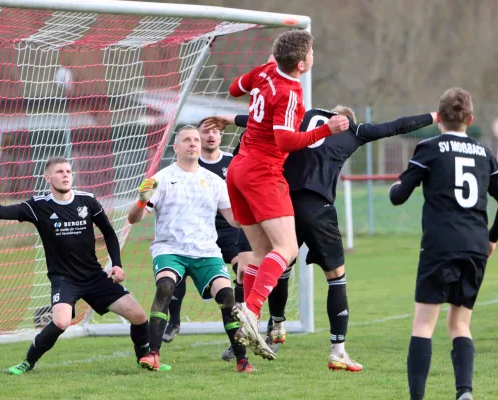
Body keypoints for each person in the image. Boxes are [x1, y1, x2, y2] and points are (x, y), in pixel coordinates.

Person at [205, 105, 437, 370]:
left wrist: (229, 118)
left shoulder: (297, 118)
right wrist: (434, 116)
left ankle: (276, 323)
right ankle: (338, 352)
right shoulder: (353, 129)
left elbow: (258, 120)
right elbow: (397, 125)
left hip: (283, 202)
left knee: (278, 259)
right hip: (318, 207)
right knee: (336, 277)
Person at [226, 29, 349, 358]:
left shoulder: (265, 71)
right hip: (263, 172)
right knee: (288, 248)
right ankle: (251, 310)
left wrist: (266, 72)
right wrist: (326, 129)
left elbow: (235, 88)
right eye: (311, 52)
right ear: (301, 64)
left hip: (239, 168)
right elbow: (285, 141)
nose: (313, 55)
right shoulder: (291, 91)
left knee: (262, 252)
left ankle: (247, 322)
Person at [389, 88, 498, 400]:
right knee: (460, 324)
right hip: (475, 246)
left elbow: (398, 196)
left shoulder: (429, 148)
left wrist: (396, 185)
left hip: (440, 245)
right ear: (470, 120)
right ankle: (464, 392)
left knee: (424, 324)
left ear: (439, 118)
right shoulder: (485, 153)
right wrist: (491, 239)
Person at [0, 156, 151, 374]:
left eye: (68, 171)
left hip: (94, 277)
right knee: (61, 322)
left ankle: (145, 358)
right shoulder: (38, 205)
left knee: (139, 315)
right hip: (64, 279)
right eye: (59, 172)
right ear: (48, 178)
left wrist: (117, 264)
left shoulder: (87, 201)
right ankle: (28, 362)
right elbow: (0, 213)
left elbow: (108, 232)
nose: (65, 175)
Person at [127, 126, 256, 373]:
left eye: (196, 139)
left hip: (206, 252)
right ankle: (153, 354)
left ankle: (242, 361)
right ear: (176, 147)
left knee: (227, 298)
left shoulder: (214, 181)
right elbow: (134, 219)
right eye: (187, 140)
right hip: (170, 249)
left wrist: (255, 208)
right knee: (165, 287)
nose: (193, 143)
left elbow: (234, 219)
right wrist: (141, 201)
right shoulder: (161, 178)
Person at [162, 119, 256, 363]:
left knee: (242, 272)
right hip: (198, 229)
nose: (211, 136)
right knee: (177, 270)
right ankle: (173, 320)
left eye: (215, 131)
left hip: (229, 228)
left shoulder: (232, 162)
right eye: (205, 132)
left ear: (221, 136)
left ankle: (240, 328)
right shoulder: (189, 162)